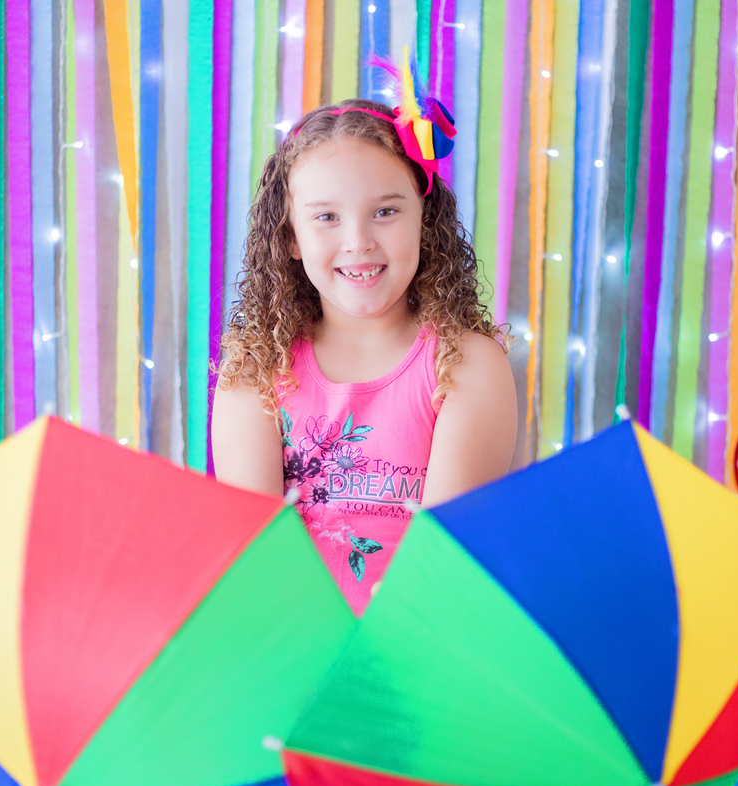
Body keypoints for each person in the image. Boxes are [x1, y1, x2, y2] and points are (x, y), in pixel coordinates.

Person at [212, 62, 516, 614]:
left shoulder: (467, 364)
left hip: (419, 650)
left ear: (424, 219)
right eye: (326, 216)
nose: (358, 241)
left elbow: (443, 565)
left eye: (385, 211)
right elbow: (255, 561)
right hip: (294, 650)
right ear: (291, 237)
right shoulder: (255, 372)